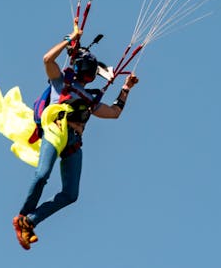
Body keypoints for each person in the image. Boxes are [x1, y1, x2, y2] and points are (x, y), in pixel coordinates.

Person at [12, 24, 139, 250]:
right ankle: (22, 217)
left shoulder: (91, 98)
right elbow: (47, 59)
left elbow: (114, 112)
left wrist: (126, 88)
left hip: (73, 144)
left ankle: (30, 222)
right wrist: (70, 38)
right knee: (42, 175)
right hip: (55, 130)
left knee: (71, 194)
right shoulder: (60, 82)